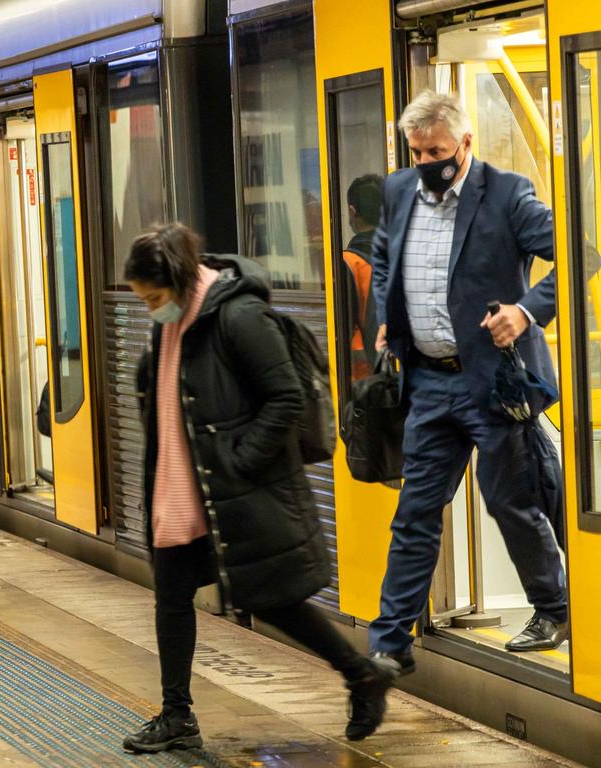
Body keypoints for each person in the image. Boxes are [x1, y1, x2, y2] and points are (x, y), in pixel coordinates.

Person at [122, 223, 394, 754]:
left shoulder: (240, 317)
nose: (150, 310)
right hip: (184, 486)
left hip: (234, 487)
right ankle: (177, 713)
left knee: (272, 598)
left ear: (178, 281)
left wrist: (242, 460)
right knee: (172, 596)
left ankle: (362, 674)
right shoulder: (174, 320)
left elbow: (287, 398)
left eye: (154, 299)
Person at [368, 91, 566, 691]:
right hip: (427, 381)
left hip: (493, 382)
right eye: (417, 151)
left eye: (437, 151)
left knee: (510, 501)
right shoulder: (401, 191)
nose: (426, 161)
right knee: (415, 513)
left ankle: (553, 608)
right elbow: (383, 261)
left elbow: (577, 252)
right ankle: (389, 641)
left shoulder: (506, 194)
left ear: (465, 143)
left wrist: (526, 312)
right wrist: (388, 316)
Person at [342, 175, 384, 381]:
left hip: (366, 375)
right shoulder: (405, 251)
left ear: (353, 211)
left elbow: (345, 327)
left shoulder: (349, 261)